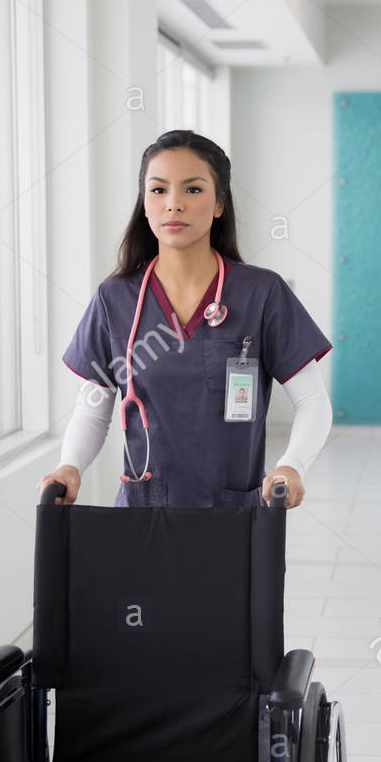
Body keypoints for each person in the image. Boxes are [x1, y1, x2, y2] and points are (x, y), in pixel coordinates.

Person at [35, 130, 333, 509]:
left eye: (192, 190)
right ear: (144, 203)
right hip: (142, 517)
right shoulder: (115, 299)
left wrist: (292, 466)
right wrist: (69, 466)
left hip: (233, 518)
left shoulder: (262, 294)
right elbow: (95, 405)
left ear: (219, 204)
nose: (173, 204)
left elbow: (312, 400)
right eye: (158, 190)